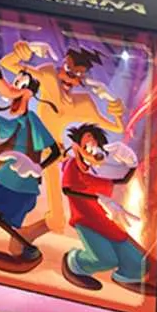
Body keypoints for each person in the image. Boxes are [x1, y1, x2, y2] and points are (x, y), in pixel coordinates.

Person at [59, 123, 148, 294]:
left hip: (102, 219)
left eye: (96, 144)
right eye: (86, 145)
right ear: (77, 147)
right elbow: (67, 190)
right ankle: (73, 262)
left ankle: (126, 276)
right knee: (106, 260)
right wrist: (100, 199)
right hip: (85, 220)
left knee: (139, 262)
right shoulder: (72, 165)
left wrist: (132, 164)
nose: (92, 149)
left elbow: (120, 182)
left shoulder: (92, 174)